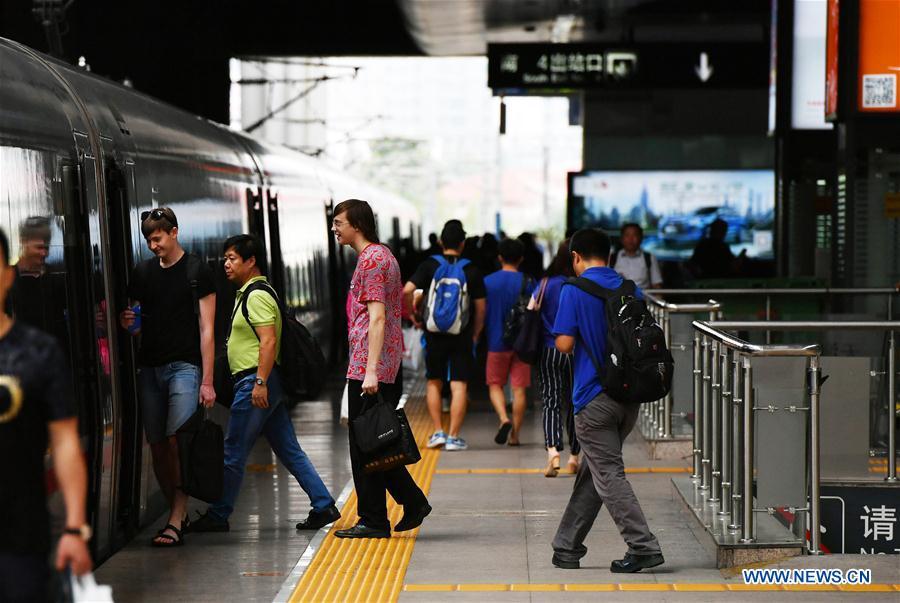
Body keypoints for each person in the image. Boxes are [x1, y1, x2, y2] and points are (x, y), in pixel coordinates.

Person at [191, 234, 339, 533]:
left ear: (251, 261)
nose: (226, 265)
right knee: (289, 450)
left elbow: (268, 341)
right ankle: (323, 504)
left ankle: (219, 514)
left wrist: (259, 382)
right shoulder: (251, 292)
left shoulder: (256, 295)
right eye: (225, 259)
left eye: (232, 259)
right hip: (259, 381)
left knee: (233, 450)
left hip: (254, 383)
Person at [551, 228, 664, 573]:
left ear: (575, 257)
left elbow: (565, 345)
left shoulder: (574, 289)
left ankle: (643, 546)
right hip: (629, 399)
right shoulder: (630, 288)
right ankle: (566, 545)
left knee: (608, 472)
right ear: (610, 254)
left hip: (593, 396)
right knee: (597, 470)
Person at [0, 227, 92, 600]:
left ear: (9, 275)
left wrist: (74, 529)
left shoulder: (40, 353)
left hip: (20, 539)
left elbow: (66, 443)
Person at [331, 199, 430, 539]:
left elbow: (377, 316)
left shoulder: (372, 260)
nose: (334, 228)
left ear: (356, 224)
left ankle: (375, 519)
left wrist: (370, 370)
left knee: (366, 443)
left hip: (369, 364)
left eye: (338, 222)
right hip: (378, 360)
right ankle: (408, 503)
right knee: (372, 442)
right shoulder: (381, 255)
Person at [119, 207, 217, 546]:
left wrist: (207, 381)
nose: (152, 245)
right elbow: (137, 321)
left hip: (185, 368)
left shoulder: (196, 271)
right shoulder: (143, 273)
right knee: (158, 445)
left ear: (174, 232)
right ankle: (177, 512)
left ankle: (175, 516)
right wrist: (128, 323)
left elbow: (207, 330)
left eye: (157, 237)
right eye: (148, 239)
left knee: (178, 441)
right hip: (151, 368)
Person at [404, 221, 486, 452]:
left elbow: (407, 290)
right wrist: (476, 332)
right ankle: (454, 437)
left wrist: (414, 315)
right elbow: (480, 308)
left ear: (441, 242)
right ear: (463, 243)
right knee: (459, 385)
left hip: (433, 332)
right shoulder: (472, 270)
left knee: (434, 382)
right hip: (461, 333)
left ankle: (438, 431)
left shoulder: (430, 265)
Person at [533, 239, 580, 477]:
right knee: (574, 402)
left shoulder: (544, 284)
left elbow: (531, 309)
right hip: (573, 351)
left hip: (548, 350)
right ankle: (574, 457)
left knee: (550, 400)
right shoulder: (577, 285)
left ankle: (553, 453)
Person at [483, 238, 534, 446]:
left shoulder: (488, 282)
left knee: (495, 385)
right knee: (519, 389)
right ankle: (516, 435)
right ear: (521, 258)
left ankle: (504, 418)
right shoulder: (530, 282)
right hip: (522, 344)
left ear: (499, 257)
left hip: (496, 342)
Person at [6, 216, 69, 348]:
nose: (44, 253)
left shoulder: (57, 277)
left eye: (46, 247)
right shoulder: (7, 281)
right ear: (24, 242)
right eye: (39, 247)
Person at [610, 223, 662, 290]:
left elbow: (657, 285)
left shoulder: (649, 258)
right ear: (622, 239)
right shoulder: (612, 258)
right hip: (618, 299)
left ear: (641, 238)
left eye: (635, 235)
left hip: (643, 299)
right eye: (627, 235)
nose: (631, 239)